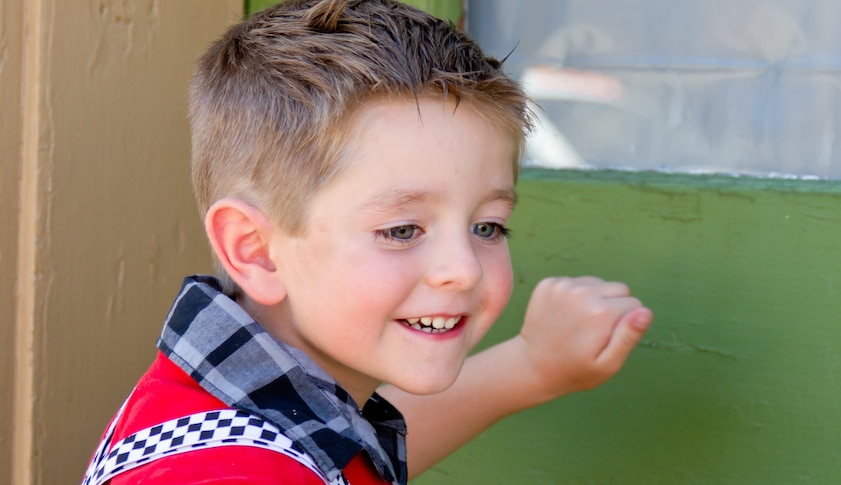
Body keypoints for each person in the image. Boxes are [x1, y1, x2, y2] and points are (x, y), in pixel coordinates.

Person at [81, 0, 653, 483]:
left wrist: (532, 367)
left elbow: (342, 454)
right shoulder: (228, 473)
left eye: (487, 227)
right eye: (402, 231)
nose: (464, 269)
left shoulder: (239, 405)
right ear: (255, 249)